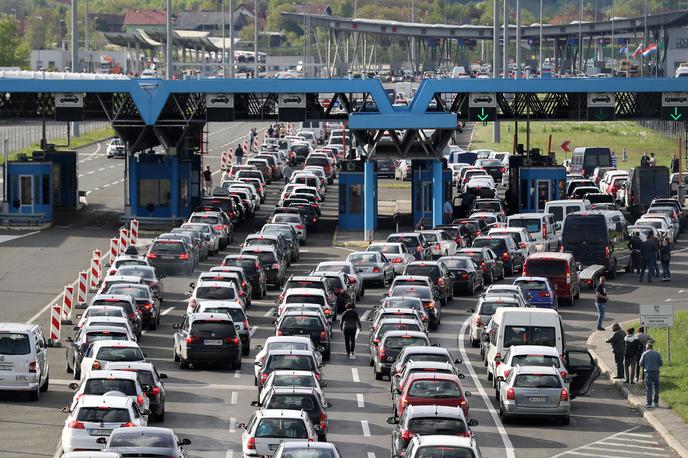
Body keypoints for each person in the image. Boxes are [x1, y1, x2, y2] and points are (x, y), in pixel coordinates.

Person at [639, 343, 663, 407]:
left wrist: (645, 365)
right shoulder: (657, 354)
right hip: (656, 372)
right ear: (652, 347)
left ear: (647, 348)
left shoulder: (644, 354)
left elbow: (640, 363)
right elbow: (661, 363)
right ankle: (656, 402)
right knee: (656, 387)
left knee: (648, 388)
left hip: (648, 372)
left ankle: (649, 403)